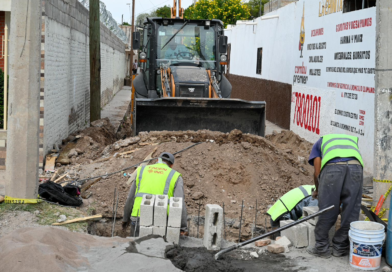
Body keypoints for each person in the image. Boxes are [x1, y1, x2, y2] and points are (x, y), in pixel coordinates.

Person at [307, 134, 363, 258]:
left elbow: (317, 173)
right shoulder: (351, 139)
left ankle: (322, 248)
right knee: (351, 211)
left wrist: (318, 190)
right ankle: (340, 247)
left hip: (333, 169)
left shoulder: (319, 143)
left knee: (328, 209)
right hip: (356, 168)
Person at [122, 152, 188, 237]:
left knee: (136, 248)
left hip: (138, 216)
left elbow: (130, 198)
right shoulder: (175, 176)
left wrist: (126, 218)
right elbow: (179, 203)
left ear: (157, 160)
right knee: (157, 248)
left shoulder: (142, 171)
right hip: (161, 219)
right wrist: (183, 228)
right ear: (171, 165)